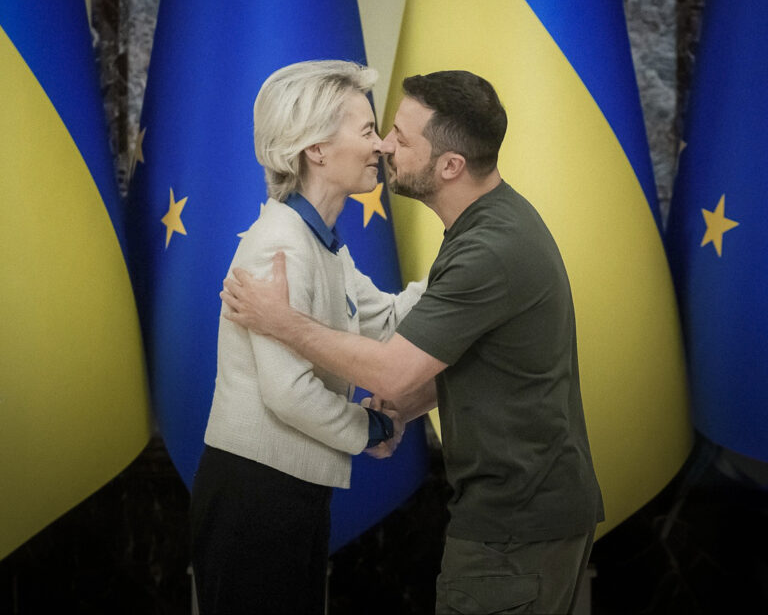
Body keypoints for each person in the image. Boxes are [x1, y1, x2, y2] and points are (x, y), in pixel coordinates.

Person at [221, 70, 605, 615]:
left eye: (399, 135)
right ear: (316, 150)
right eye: (378, 130)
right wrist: (395, 414)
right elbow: (465, 354)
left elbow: (393, 368)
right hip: (518, 515)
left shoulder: (488, 247)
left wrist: (282, 322)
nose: (384, 144)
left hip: (515, 523)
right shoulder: (481, 229)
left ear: (449, 166)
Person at [190, 60, 426, 615]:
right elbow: (289, 392)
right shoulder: (282, 246)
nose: (383, 146)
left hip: (286, 493)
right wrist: (371, 426)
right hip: (254, 498)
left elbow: (389, 320)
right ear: (315, 148)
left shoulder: (319, 242)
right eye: (367, 131)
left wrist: (464, 263)